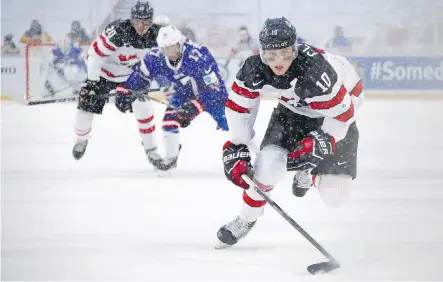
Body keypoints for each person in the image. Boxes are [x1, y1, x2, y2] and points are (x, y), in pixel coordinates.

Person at [216, 17, 364, 248]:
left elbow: (344, 115)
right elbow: (239, 107)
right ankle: (245, 219)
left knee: (336, 196)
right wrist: (238, 145)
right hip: (293, 110)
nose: (278, 62)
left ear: (295, 49)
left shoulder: (316, 73)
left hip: (335, 114)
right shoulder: (254, 68)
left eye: (285, 53)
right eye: (270, 55)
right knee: (266, 166)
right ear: (262, 52)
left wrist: (324, 140)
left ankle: (310, 172)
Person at [115, 25, 229, 173]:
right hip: (184, 93)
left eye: (173, 47)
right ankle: (170, 159)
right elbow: (140, 77)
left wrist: (195, 106)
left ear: (180, 43)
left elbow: (214, 88)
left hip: (213, 96)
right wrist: (124, 92)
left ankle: (257, 153)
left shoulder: (197, 55)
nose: (171, 53)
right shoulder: (156, 57)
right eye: (166, 49)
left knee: (233, 127)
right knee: (170, 121)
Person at [72, 1, 162, 163]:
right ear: (132, 19)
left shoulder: (156, 35)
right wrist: (92, 82)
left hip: (130, 76)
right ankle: (81, 139)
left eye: (146, 22)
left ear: (151, 21)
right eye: (137, 21)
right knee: (87, 103)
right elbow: (95, 54)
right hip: (104, 73)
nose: (141, 26)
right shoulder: (119, 31)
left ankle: (151, 150)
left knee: (143, 105)